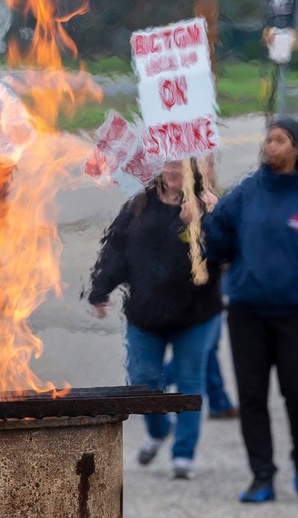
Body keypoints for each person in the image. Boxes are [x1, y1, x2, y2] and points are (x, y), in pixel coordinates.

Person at [197, 116, 298, 502]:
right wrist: (201, 220)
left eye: (280, 140)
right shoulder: (247, 193)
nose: (271, 146)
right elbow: (216, 243)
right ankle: (262, 476)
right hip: (246, 312)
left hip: (295, 313)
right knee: (252, 396)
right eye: (268, 140)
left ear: (296, 147)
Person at [88, 160, 223, 479]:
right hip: (146, 312)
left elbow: (223, 254)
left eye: (181, 166)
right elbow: (115, 250)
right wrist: (100, 288)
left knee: (190, 382)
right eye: (168, 165)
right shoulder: (138, 205)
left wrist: (201, 223)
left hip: (195, 313)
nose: (174, 171)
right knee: (143, 383)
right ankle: (160, 428)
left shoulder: (208, 206)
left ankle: (183, 454)